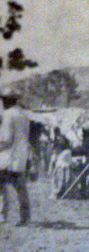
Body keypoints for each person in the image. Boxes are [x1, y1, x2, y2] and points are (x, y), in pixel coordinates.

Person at [0, 90, 31, 226]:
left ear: (6, 101)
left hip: (8, 157)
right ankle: (25, 217)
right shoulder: (23, 115)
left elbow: (6, 139)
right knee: (21, 189)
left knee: (1, 187)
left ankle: (2, 215)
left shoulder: (8, 115)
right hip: (21, 156)